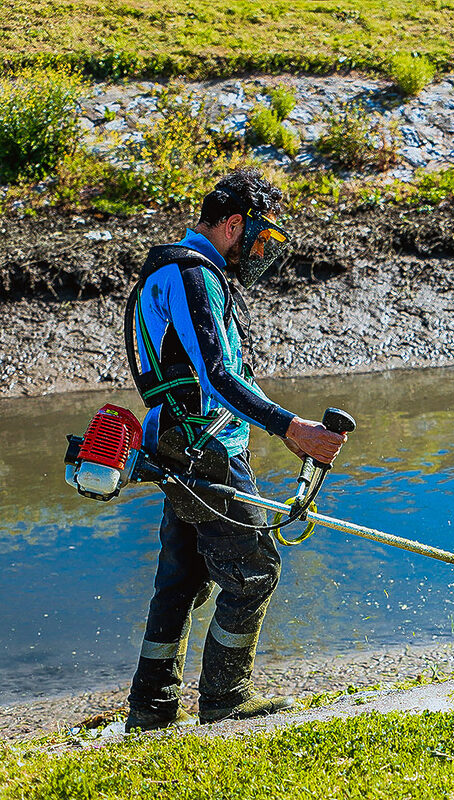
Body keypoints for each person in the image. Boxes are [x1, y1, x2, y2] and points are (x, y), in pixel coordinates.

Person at [123, 167, 346, 732]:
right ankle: (225, 698)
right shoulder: (193, 274)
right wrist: (291, 427)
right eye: (260, 236)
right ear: (231, 223)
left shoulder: (172, 270)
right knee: (254, 572)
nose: (260, 251)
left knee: (183, 577)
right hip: (205, 447)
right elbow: (218, 375)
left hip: (176, 442)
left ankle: (151, 707)